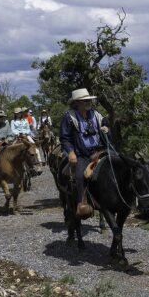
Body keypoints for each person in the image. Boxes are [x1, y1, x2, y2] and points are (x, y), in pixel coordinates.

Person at [59, 88, 110, 217]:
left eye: (89, 100)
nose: (88, 102)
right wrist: (70, 152)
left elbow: (106, 124)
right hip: (82, 154)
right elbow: (64, 137)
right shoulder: (69, 117)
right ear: (76, 103)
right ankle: (82, 203)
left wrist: (106, 128)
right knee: (80, 176)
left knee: (116, 167)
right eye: (84, 101)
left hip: (99, 150)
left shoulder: (96, 114)